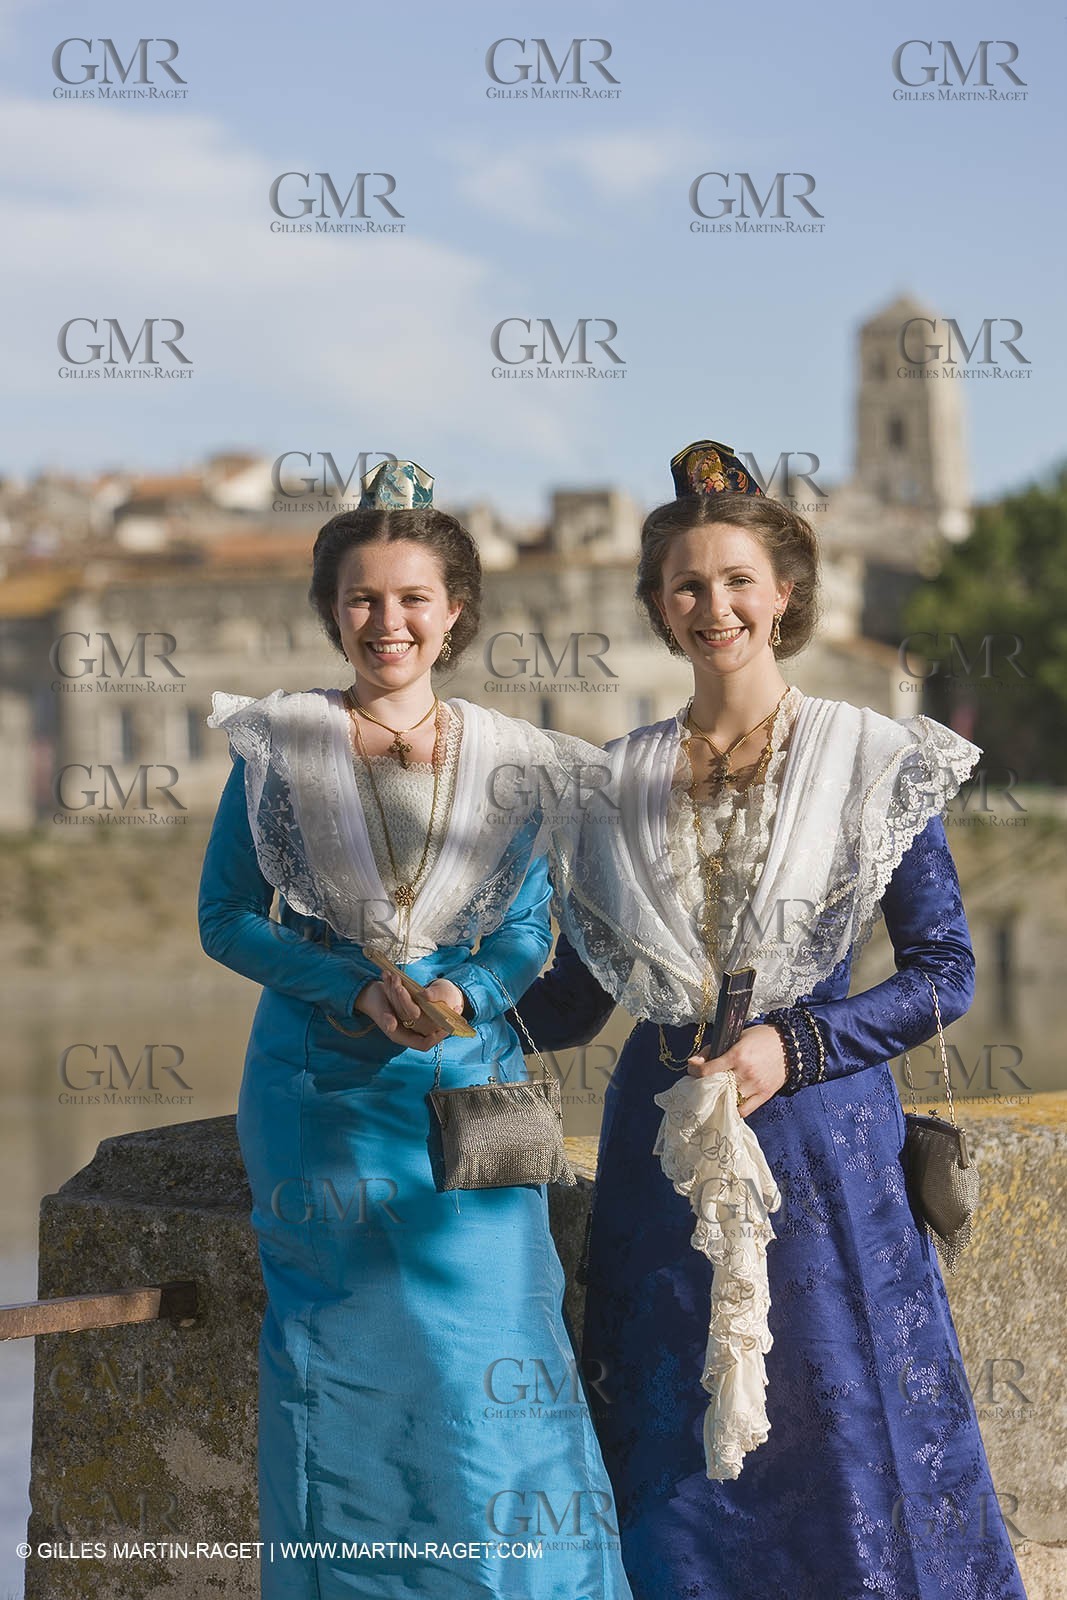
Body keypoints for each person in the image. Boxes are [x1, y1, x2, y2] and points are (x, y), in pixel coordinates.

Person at [515, 441, 1027, 1599]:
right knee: (677, 1456)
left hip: (823, 1152)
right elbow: (573, 995)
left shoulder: (868, 757)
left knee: (833, 1443)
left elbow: (944, 972)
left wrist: (789, 1045)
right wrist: (433, 996)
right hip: (659, 1165)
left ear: (784, 591)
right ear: (656, 605)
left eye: (736, 580)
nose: (714, 606)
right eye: (686, 585)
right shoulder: (611, 782)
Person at [198, 460, 633, 1600]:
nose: (385, 621)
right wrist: (343, 986)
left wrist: (465, 996)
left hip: (462, 1094)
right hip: (319, 1097)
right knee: (339, 1367)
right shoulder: (279, 745)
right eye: (361, 597)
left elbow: (530, 928)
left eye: (410, 598)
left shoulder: (512, 759)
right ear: (331, 609)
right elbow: (226, 919)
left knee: (499, 1355)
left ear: (453, 613)